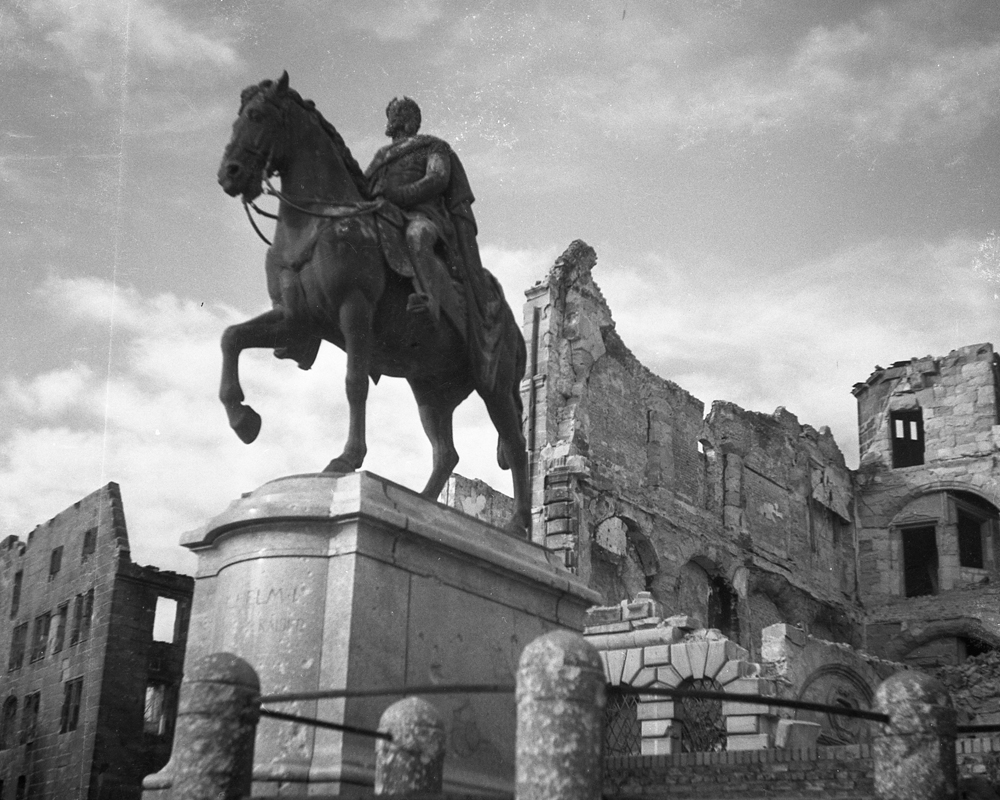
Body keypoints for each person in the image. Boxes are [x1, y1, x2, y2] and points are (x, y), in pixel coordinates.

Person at [366, 97, 507, 391]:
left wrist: (400, 195)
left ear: (410, 120)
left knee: (417, 236)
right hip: (387, 217)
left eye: (397, 114)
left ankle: (428, 300)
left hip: (423, 217)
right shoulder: (381, 157)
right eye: (391, 113)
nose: (392, 119)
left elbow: (437, 179)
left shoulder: (433, 147)